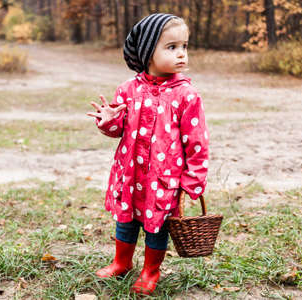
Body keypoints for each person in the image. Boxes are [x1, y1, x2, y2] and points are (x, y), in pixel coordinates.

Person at [87, 13, 209, 295]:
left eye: (184, 46)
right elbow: (119, 128)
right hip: (130, 173)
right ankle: (122, 262)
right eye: (171, 47)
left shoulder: (187, 95)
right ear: (147, 52)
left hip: (164, 177)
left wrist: (194, 179)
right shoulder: (128, 90)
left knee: (157, 227)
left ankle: (150, 271)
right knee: (126, 219)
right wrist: (108, 121)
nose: (181, 54)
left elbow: (197, 142)